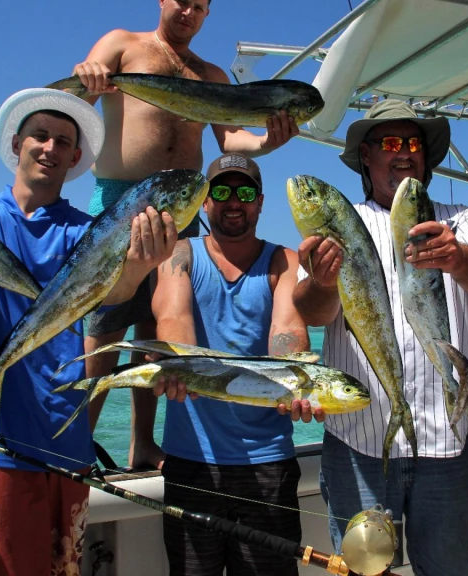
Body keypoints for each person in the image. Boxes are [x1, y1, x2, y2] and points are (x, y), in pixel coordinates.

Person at [0, 88, 175, 576]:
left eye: (62, 141)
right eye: (40, 136)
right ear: (17, 144)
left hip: (65, 437)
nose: (50, 148)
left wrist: (140, 269)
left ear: (75, 158)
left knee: (66, 567)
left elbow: (113, 294)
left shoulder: (87, 232)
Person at [70, 0, 301, 440]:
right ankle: (76, 445)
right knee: (103, 329)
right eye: (181, 1)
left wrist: (268, 142)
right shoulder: (122, 44)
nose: (188, 11)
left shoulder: (211, 76)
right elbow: (74, 102)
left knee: (157, 334)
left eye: (199, 6)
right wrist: (87, 78)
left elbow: (231, 137)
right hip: (123, 201)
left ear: (207, 14)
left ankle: (141, 444)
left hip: (184, 209)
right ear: (162, 1)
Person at [292, 99, 468, 575]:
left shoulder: (461, 219)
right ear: (366, 155)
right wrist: (324, 280)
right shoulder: (343, 223)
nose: (404, 152)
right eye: (390, 143)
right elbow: (309, 309)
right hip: (358, 446)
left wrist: (457, 257)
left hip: (449, 443)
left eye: (413, 144)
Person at [134, 153, 316, 575]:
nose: (234, 201)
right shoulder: (179, 253)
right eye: (221, 191)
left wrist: (299, 387)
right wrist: (181, 369)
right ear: (204, 202)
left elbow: (287, 333)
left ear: (261, 202)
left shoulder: (285, 261)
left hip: (268, 464)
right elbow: (174, 317)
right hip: (191, 463)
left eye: (245, 191)